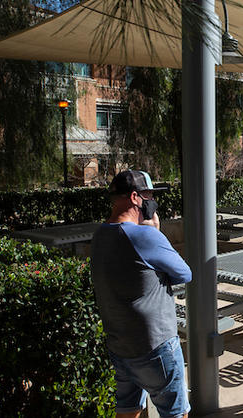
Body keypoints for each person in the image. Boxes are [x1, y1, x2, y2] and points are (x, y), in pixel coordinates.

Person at [91, 170, 192, 418]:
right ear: (136, 197)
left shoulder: (100, 235)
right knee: (176, 412)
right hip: (156, 345)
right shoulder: (144, 235)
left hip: (120, 344)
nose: (152, 202)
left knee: (127, 409)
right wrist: (156, 231)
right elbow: (184, 273)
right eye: (149, 195)